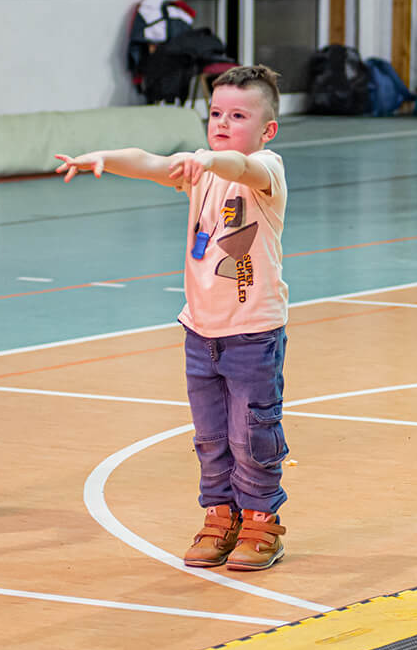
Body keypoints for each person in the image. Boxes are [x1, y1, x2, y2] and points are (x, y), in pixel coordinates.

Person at [54, 66, 292, 572]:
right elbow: (148, 162)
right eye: (216, 113)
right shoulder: (200, 171)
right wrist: (104, 158)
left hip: (252, 334)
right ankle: (220, 516)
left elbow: (239, 166)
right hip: (200, 333)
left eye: (238, 116)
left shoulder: (265, 170)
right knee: (210, 437)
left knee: (252, 434)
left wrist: (208, 158)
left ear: (267, 129)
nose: (222, 123)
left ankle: (261, 522)